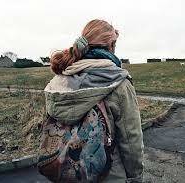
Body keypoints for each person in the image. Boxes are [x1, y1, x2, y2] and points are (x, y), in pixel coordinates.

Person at [38, 19, 144, 183]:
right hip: (108, 174)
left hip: (64, 169)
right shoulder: (119, 81)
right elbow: (131, 138)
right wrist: (135, 176)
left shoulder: (59, 80)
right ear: (111, 45)